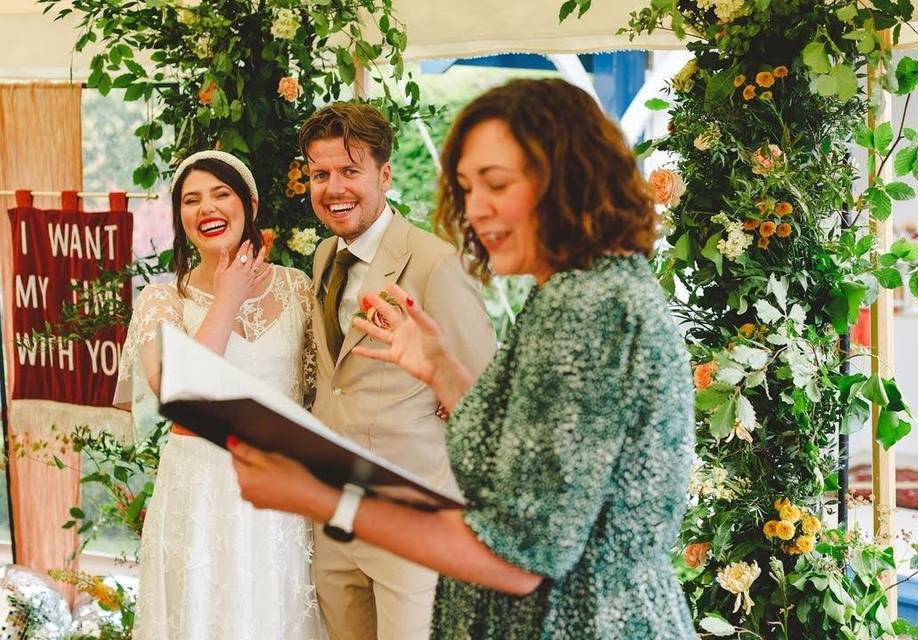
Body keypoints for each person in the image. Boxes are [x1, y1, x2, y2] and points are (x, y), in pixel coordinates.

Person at [229, 79, 697, 639]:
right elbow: (520, 461)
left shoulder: (587, 309)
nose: (476, 210)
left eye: (497, 184)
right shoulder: (582, 290)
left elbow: (522, 552)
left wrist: (318, 494)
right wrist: (438, 369)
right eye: (467, 188)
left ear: (570, 179)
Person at [299, 103, 497, 640]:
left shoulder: (435, 265)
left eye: (349, 171)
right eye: (320, 174)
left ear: (384, 175)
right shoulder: (322, 257)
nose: (333, 188)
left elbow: (486, 397)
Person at [114, 150, 326, 640]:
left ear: (249, 203)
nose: (206, 208)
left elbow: (328, 392)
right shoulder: (161, 301)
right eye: (191, 200)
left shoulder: (298, 289)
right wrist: (228, 297)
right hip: (200, 500)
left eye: (220, 194)